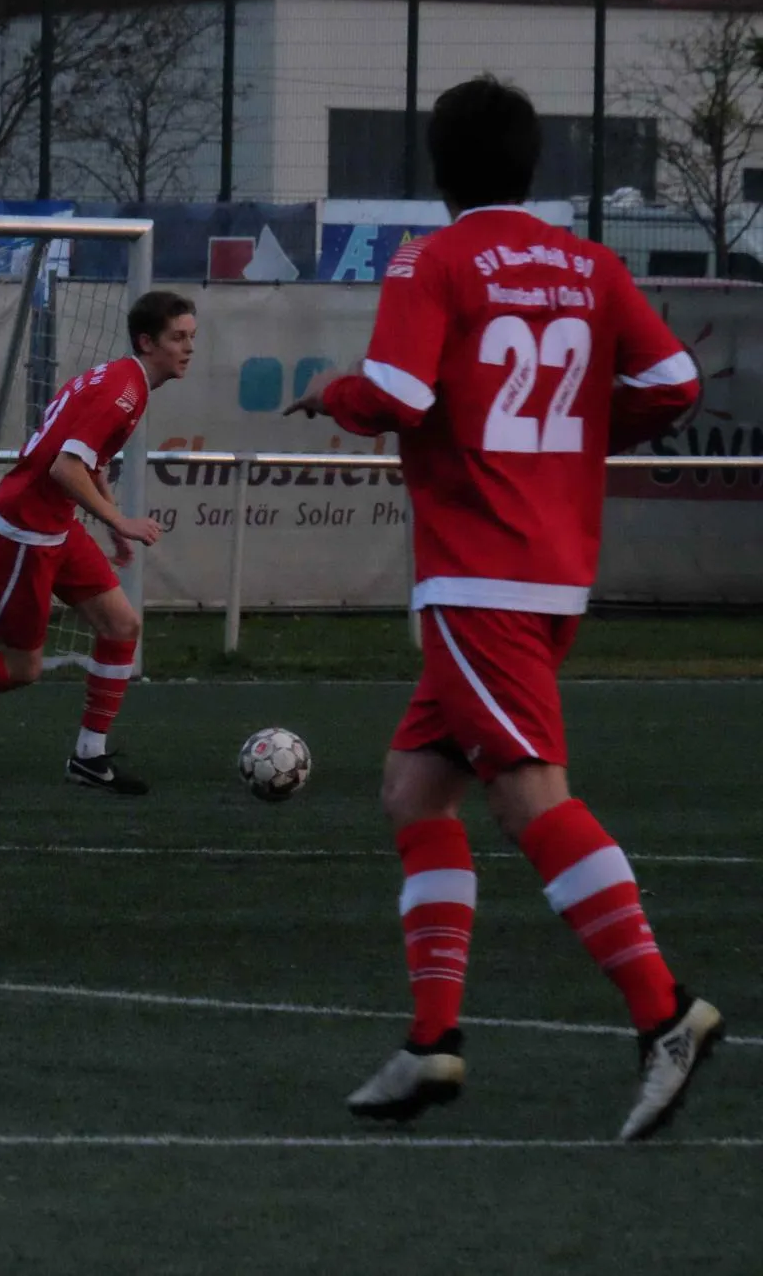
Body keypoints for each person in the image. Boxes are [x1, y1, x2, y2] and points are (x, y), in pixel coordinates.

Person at [287, 76, 720, 1140]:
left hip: (480, 573)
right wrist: (581, 432)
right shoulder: (589, 264)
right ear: (533, 167)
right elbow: (674, 382)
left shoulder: (431, 260)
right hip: (550, 569)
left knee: (529, 798)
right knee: (414, 789)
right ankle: (432, 1042)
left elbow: (398, 394)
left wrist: (332, 392)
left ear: (437, 170)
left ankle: (663, 1011)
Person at [0, 291, 195, 795]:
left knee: (122, 624)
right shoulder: (124, 390)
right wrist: (121, 520)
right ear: (146, 341)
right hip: (23, 530)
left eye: (191, 337)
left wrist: (111, 524)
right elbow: (65, 467)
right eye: (178, 337)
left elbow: (87, 460)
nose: (188, 347)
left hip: (56, 525)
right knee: (21, 668)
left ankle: (89, 756)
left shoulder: (124, 380)